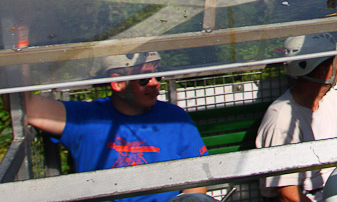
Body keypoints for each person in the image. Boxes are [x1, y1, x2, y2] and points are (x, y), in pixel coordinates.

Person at [22, 50, 209, 202]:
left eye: (158, 75)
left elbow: (196, 179)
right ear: (118, 83)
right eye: (144, 78)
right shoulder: (86, 118)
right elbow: (27, 107)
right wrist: (20, 43)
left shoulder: (174, 118)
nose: (154, 83)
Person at [256, 34, 337, 202]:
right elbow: (288, 194)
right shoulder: (282, 119)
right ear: (322, 71)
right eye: (334, 61)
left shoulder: (332, 100)